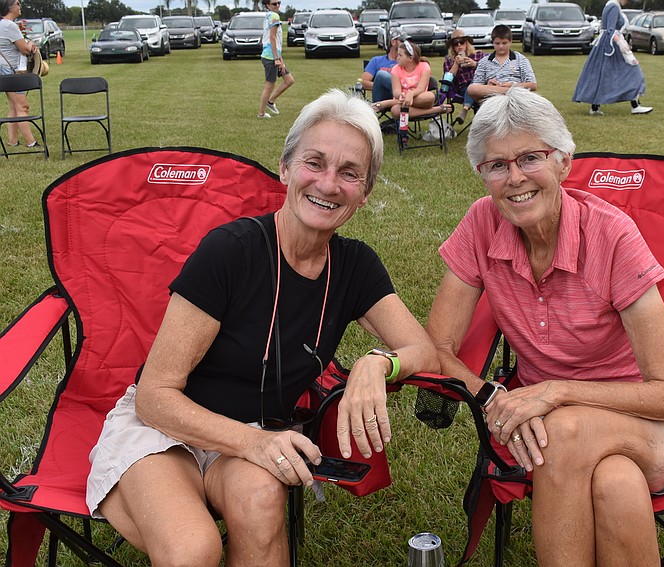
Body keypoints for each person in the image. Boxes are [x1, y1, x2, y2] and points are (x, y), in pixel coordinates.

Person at [86, 89, 439, 566]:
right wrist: (255, 442)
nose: (329, 184)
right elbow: (155, 396)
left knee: (260, 501)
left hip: (253, 433)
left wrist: (378, 364)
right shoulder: (231, 251)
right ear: (286, 169)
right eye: (315, 162)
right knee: (194, 551)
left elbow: (423, 350)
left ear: (365, 192)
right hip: (165, 429)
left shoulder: (355, 266)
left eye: (350, 172)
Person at [426, 88, 664, 566]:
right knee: (616, 483)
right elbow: (439, 348)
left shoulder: (611, 235)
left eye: (531, 158)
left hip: (660, 424)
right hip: (548, 422)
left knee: (563, 433)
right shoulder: (480, 224)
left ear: (563, 163)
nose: (515, 178)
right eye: (497, 165)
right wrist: (490, 396)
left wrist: (556, 392)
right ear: (483, 175)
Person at [572, 0, 652, 115]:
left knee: (602, 74)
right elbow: (610, 29)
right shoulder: (613, 6)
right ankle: (634, 105)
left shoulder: (612, 6)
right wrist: (620, 42)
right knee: (631, 72)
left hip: (610, 44)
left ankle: (597, 107)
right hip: (610, 46)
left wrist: (621, 41)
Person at [374, 40, 447, 119]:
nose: (397, 57)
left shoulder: (424, 66)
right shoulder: (395, 69)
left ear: (411, 58)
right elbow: (396, 92)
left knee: (430, 96)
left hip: (421, 100)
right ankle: (435, 110)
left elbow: (421, 88)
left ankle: (388, 103)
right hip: (403, 104)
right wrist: (402, 95)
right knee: (395, 110)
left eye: (400, 55)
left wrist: (411, 94)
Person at [0, 0, 39, 148]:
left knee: (13, 107)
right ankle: (31, 142)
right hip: (12, 71)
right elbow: (25, 50)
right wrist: (30, 44)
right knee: (23, 107)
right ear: (10, 7)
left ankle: (13, 141)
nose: (20, 6)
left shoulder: (2, 24)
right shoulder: (10, 25)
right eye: (17, 3)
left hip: (3, 69)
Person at [466, 25, 537, 104]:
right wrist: (488, 85)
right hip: (492, 99)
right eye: (497, 43)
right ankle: (508, 92)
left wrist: (512, 85)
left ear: (510, 42)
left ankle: (510, 92)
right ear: (492, 42)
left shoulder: (521, 59)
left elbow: (533, 85)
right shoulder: (484, 62)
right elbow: (476, 87)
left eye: (504, 43)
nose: (501, 46)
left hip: (516, 99)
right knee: (471, 88)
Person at [258, 0, 294, 119]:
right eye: (274, 3)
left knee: (289, 80)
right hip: (270, 57)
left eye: (278, 2)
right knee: (269, 86)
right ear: (268, 5)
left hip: (274, 55)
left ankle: (271, 101)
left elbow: (276, 41)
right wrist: (276, 59)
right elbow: (272, 38)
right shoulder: (274, 16)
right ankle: (261, 114)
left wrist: (281, 60)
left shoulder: (269, 16)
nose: (277, 5)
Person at [442, 28, 485, 126]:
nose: (459, 45)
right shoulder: (449, 60)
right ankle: (480, 122)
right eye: (455, 43)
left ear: (466, 43)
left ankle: (465, 108)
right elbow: (447, 80)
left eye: (461, 42)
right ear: (452, 47)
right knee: (473, 89)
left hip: (481, 85)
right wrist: (456, 65)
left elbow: (490, 71)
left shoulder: (479, 55)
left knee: (476, 82)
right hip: (462, 89)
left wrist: (475, 64)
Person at [361, 28, 405, 105]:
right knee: (381, 75)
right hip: (383, 98)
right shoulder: (376, 60)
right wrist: (381, 86)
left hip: (403, 95)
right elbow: (364, 82)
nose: (406, 44)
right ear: (393, 42)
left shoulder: (406, 61)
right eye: (403, 41)